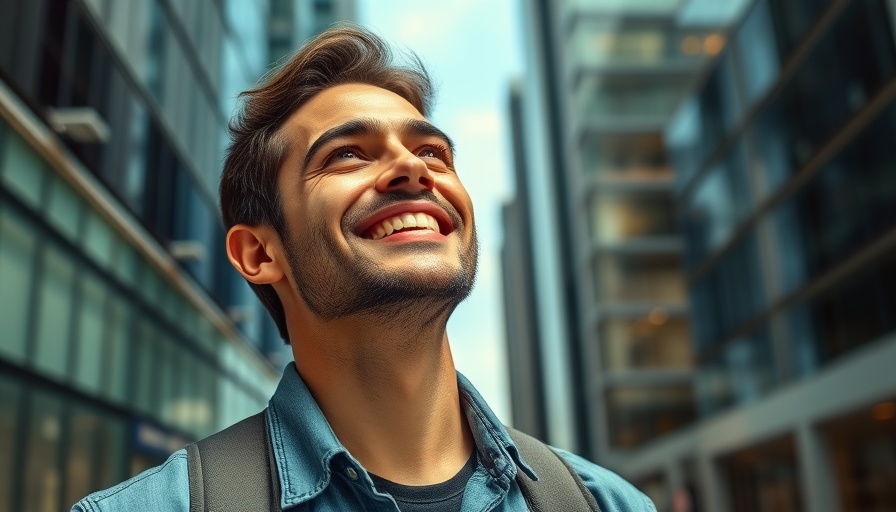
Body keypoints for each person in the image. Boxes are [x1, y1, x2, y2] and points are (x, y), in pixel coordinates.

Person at [72, 25, 656, 511]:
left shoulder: (608, 505)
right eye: (346, 154)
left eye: (433, 153)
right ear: (259, 254)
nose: (413, 169)